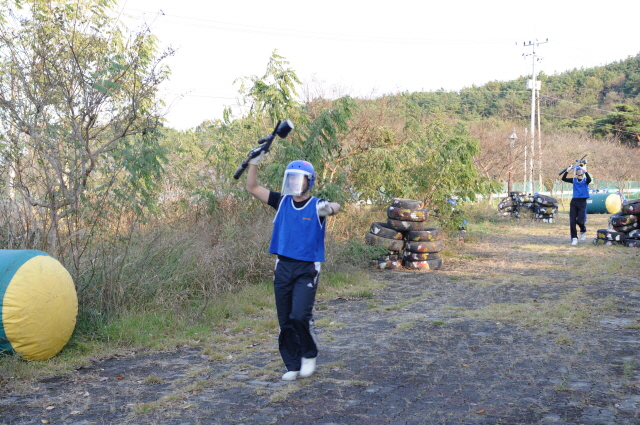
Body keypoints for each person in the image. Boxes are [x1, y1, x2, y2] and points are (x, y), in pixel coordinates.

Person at [245, 152, 340, 381]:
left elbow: (335, 206)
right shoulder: (282, 201)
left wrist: (329, 208)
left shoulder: (317, 205)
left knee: (299, 315)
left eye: (300, 178)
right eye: (292, 178)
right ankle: (292, 365)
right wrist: (254, 162)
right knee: (285, 319)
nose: (295, 182)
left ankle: (309, 354)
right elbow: (252, 187)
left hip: (307, 268)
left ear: (309, 181)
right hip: (283, 266)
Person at [561, 164, 592, 246]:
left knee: (580, 221)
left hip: (582, 202)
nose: (578, 171)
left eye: (580, 170)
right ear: (575, 172)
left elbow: (589, 179)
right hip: (574, 202)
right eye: (577, 170)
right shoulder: (574, 180)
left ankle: (583, 230)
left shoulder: (585, 180)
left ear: (582, 171)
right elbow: (563, 179)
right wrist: (567, 170)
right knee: (572, 221)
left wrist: (586, 171)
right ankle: (574, 238)